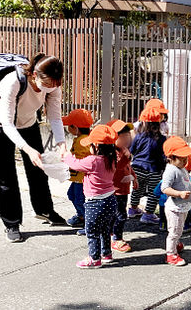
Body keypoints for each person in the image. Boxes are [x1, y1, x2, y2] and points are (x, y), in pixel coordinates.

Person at [0, 53, 68, 242]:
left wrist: (62, 144)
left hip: (28, 122)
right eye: (47, 83)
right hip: (0, 124)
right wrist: (27, 149)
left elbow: (55, 116)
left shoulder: (53, 85)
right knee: (5, 174)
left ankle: (44, 210)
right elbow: (7, 123)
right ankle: (11, 222)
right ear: (33, 74)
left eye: (55, 83)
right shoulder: (13, 82)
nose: (51, 87)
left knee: (39, 168)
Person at [64, 125, 119, 269]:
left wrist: (66, 155)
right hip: (111, 201)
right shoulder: (112, 159)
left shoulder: (93, 161)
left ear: (95, 145)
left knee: (92, 231)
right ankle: (106, 254)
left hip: (95, 203)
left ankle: (94, 258)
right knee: (105, 229)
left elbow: (74, 164)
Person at [161, 137, 191, 266]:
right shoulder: (171, 170)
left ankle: (176, 244)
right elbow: (165, 188)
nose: (186, 161)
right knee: (174, 231)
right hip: (175, 207)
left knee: (178, 229)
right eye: (182, 158)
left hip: (182, 206)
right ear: (171, 157)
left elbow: (187, 182)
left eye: (186, 157)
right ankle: (170, 254)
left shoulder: (181, 168)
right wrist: (179, 193)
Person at [128, 107, 167, 224]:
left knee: (137, 189)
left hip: (137, 168)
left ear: (143, 122)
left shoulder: (138, 136)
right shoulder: (162, 139)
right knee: (153, 193)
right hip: (154, 169)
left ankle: (133, 209)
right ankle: (148, 214)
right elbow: (163, 155)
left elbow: (132, 151)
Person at [108, 119, 138, 253]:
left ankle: (110, 235)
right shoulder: (113, 153)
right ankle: (116, 238)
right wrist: (126, 157)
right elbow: (118, 167)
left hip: (124, 190)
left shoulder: (123, 149)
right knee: (119, 215)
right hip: (115, 191)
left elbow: (128, 167)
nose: (127, 140)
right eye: (123, 137)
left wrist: (135, 178)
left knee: (116, 215)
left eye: (128, 136)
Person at [61, 109, 94, 232]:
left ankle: (89, 223)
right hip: (77, 178)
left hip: (81, 178)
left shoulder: (82, 141)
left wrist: (68, 159)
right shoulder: (83, 138)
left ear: (74, 127)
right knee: (72, 195)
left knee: (79, 199)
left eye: (69, 126)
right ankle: (81, 216)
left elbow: (81, 160)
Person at [156, 154, 191, 233]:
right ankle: (185, 226)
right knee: (183, 218)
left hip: (164, 204)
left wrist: (160, 197)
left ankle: (163, 225)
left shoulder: (166, 178)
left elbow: (156, 192)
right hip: (183, 205)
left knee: (164, 217)